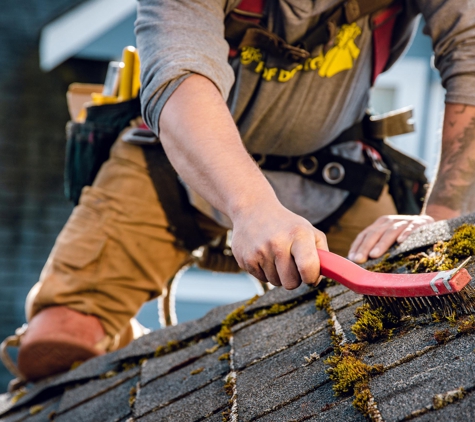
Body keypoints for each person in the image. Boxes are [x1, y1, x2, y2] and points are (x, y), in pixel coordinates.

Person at [4, 0, 475, 382]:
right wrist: (252, 206)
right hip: (171, 167)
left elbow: (470, 52)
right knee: (57, 342)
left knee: (408, 312)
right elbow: (178, 76)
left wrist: (439, 216)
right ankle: (127, 356)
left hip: (337, 177)